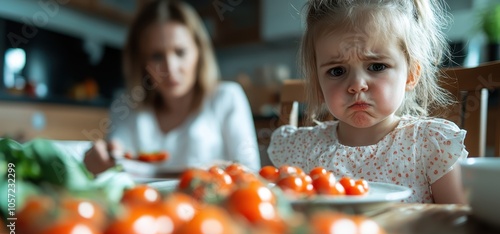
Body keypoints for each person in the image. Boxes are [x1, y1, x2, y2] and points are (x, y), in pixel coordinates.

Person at [268, 0, 467, 204]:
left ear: (410, 75)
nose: (357, 85)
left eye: (376, 66)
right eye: (337, 71)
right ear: (318, 84)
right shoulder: (300, 150)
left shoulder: (430, 144)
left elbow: (459, 221)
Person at [84, 0, 260, 174]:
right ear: (141, 62)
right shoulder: (127, 105)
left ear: (199, 52)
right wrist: (99, 163)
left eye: (180, 52)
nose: (170, 68)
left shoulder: (227, 97)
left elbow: (251, 172)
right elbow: (114, 164)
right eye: (157, 56)